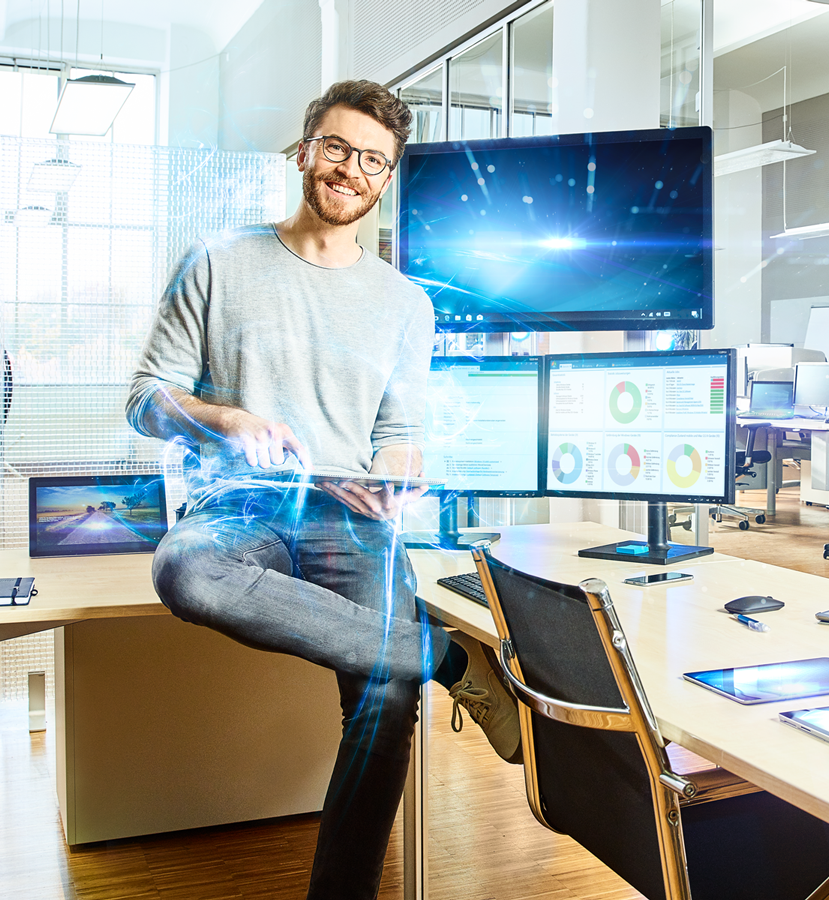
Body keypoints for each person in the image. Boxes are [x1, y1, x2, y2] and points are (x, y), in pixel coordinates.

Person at [125, 80, 520, 898]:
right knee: (184, 571)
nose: (352, 170)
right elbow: (146, 399)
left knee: (385, 698)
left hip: (353, 516)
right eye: (338, 149)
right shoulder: (217, 261)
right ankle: (444, 657)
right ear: (305, 152)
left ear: (387, 177)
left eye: (374, 160)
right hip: (240, 507)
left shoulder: (406, 303)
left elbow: (399, 431)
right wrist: (226, 420)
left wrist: (399, 476)